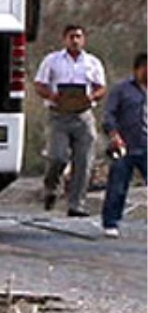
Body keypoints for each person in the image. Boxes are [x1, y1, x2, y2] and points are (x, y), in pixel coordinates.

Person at [33, 24, 107, 215]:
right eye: (71, 36)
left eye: (78, 37)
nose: (75, 40)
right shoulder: (52, 60)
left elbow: (101, 87)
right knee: (58, 157)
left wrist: (91, 97)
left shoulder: (92, 62)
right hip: (59, 115)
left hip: (83, 116)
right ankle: (51, 188)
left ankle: (76, 204)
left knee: (83, 162)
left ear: (84, 39)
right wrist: (52, 96)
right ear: (64, 39)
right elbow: (39, 84)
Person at [100, 53, 148, 238]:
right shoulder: (122, 90)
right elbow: (109, 115)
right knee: (118, 186)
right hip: (124, 144)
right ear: (137, 69)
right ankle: (111, 222)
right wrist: (114, 135)